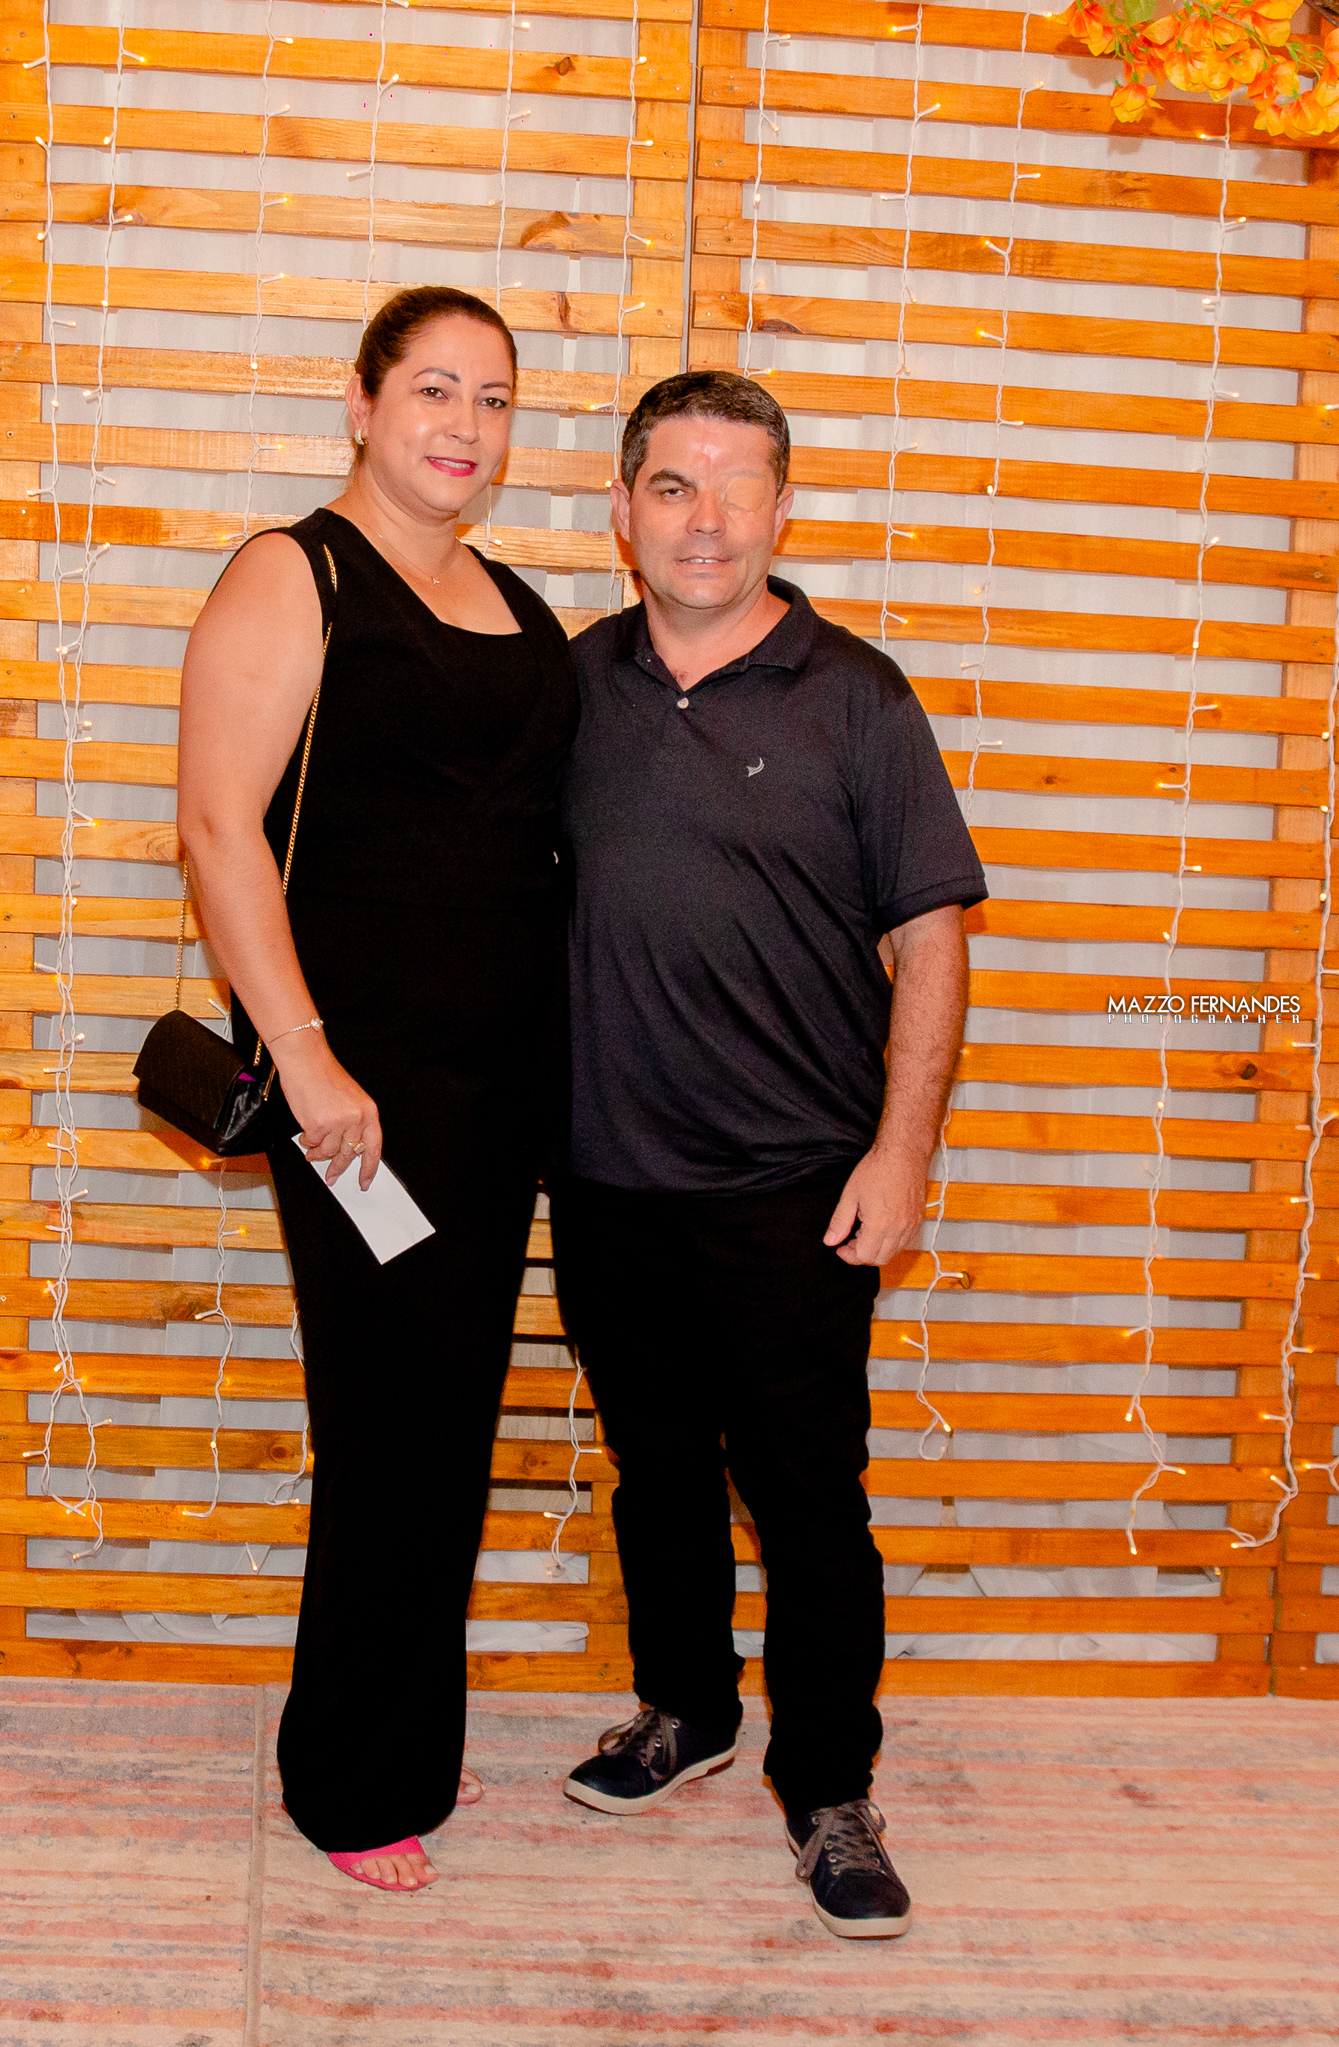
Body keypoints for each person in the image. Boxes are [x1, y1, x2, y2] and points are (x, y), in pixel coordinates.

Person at [551, 371, 985, 1940]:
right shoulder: (570, 685)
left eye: (740, 487)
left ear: (784, 510)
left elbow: (931, 941)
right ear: (622, 510)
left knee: (806, 1501)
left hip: (795, 1188)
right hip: (606, 1175)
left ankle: (831, 1789)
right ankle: (687, 1706)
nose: (708, 519)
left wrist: (903, 1152)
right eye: (673, 485)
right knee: (657, 1471)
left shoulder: (855, 696)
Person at [177, 286, 578, 1894]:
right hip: (360, 1095)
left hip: (498, 1089)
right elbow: (219, 828)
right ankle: (349, 1781)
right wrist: (307, 1058)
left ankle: (404, 1727)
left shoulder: (518, 600)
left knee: (448, 1418)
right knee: (391, 1421)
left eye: (494, 398)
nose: (464, 426)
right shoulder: (297, 573)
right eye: (433, 388)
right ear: (361, 403)